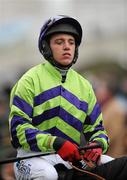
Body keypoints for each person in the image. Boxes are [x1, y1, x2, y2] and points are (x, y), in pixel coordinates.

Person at [9, 15, 127, 180]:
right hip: (31, 157)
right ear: (46, 47)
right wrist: (55, 143)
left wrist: (98, 144)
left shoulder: (85, 86)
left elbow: (97, 130)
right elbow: (18, 130)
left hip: (70, 157)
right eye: (59, 42)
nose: (67, 47)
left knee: (111, 163)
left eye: (71, 42)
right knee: (47, 175)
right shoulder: (29, 81)